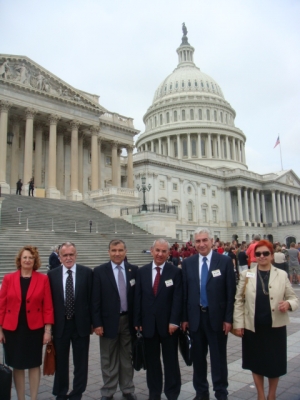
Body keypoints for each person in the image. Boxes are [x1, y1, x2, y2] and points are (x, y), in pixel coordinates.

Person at [233, 240, 299, 400]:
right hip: (253, 327)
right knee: (256, 363)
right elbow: (239, 300)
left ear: (272, 255)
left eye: (265, 253)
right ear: (254, 256)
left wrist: (288, 304)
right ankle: (261, 395)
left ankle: (272, 395)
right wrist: (238, 324)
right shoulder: (246, 274)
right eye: (258, 254)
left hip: (275, 326)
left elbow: (293, 298)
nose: (261, 256)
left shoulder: (281, 274)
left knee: (274, 364)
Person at [182, 228, 236, 400]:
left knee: (218, 357)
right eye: (198, 241)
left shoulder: (224, 262)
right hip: (196, 318)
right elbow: (185, 292)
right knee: (198, 358)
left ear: (212, 241)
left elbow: (230, 293)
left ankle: (221, 391)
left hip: (217, 319)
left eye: (205, 240)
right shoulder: (188, 263)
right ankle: (201, 391)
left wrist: (228, 318)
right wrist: (184, 318)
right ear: (194, 243)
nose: (201, 244)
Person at [0, 245, 54, 400]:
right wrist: (0, 330)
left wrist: (48, 330)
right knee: (17, 364)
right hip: (13, 329)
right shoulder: (9, 278)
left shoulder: (43, 279)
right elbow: (1, 305)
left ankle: (34, 397)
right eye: (25, 257)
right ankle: (21, 398)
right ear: (20, 260)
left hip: (34, 329)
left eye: (31, 257)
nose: (28, 260)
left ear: (35, 260)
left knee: (33, 364)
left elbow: (48, 306)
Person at [134, 239, 182, 400]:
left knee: (171, 362)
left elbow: (177, 299)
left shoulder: (175, 272)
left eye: (164, 251)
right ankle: (154, 394)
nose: (160, 254)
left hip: (169, 326)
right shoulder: (142, 272)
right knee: (152, 363)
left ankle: (172, 393)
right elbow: (138, 298)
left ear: (169, 253)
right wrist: (137, 321)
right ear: (152, 251)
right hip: (148, 325)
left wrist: (174, 321)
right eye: (157, 250)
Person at [92, 239, 138, 400]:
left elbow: (137, 299)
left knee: (127, 356)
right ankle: (108, 391)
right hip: (107, 322)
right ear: (108, 252)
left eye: (120, 250)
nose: (117, 253)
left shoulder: (133, 270)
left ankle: (127, 388)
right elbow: (95, 300)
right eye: (113, 250)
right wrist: (97, 323)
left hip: (128, 320)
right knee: (108, 357)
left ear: (125, 251)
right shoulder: (99, 271)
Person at [48, 242, 93, 400]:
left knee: (81, 363)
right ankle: (61, 392)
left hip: (81, 324)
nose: (68, 258)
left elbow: (92, 300)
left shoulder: (87, 273)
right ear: (59, 257)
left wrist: (93, 323)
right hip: (60, 325)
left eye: (71, 254)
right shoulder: (52, 275)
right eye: (65, 255)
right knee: (61, 362)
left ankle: (77, 393)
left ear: (76, 255)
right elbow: (49, 302)